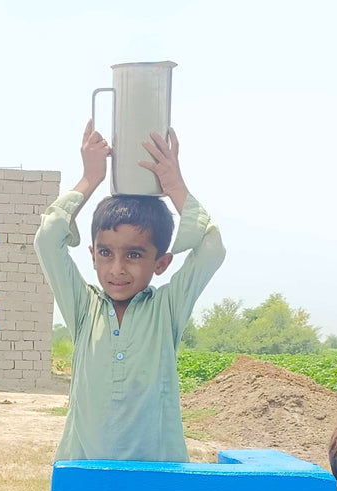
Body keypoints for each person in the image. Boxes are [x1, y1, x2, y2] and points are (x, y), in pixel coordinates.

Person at [34, 120, 226, 463]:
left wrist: (174, 185)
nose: (117, 268)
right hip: (86, 471)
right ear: (93, 255)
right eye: (106, 253)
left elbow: (212, 248)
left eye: (134, 255)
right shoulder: (84, 308)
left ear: (161, 263)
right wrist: (90, 178)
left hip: (157, 475)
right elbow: (48, 238)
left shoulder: (166, 309)